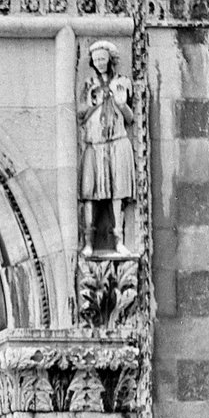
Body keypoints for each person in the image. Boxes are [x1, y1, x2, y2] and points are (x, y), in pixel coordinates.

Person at [78, 39, 136, 257]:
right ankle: (89, 242)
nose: (100, 63)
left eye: (102, 59)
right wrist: (95, 103)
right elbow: (81, 115)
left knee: (117, 193)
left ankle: (119, 240)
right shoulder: (89, 84)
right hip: (95, 144)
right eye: (96, 60)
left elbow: (130, 119)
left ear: (110, 60)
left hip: (118, 141)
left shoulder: (122, 82)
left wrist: (121, 103)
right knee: (90, 193)